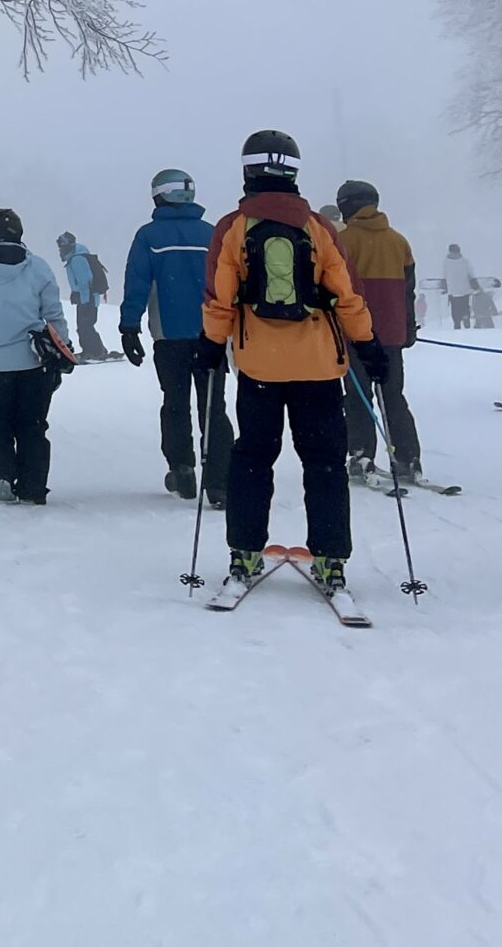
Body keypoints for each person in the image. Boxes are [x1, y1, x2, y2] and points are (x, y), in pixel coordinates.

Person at [198, 129, 388, 601]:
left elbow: (220, 297)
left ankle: (244, 551)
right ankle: (330, 559)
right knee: (324, 463)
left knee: (252, 458)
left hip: (259, 367)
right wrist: (369, 345)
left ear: (248, 171)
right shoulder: (320, 229)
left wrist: (209, 344)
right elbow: (347, 295)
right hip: (321, 368)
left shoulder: (233, 228)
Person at [119, 169, 230, 504]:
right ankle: (220, 481)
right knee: (214, 406)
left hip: (169, 337)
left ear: (158, 196)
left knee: (175, 404)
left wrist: (129, 326)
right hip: (212, 335)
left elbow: (137, 283)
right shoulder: (213, 235)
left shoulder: (149, 236)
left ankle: (182, 468)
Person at [0, 210, 67, 504]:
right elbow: (53, 315)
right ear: (19, 232)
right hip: (34, 361)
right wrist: (62, 349)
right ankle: (33, 486)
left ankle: (2, 472)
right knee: (33, 424)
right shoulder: (38, 267)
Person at [332, 181, 423, 485]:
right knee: (393, 396)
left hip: (355, 333)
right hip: (391, 336)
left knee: (358, 397)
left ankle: (361, 455)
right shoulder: (399, 242)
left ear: (347, 206)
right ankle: (409, 459)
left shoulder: (342, 242)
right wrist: (407, 329)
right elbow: (408, 291)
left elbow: (334, 289)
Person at [55, 231, 112, 361]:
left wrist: (84, 299)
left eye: (62, 245)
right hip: (87, 297)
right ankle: (94, 350)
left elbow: (85, 280)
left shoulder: (77, 259)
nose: (60, 249)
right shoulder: (76, 257)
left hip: (87, 298)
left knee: (85, 325)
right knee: (85, 325)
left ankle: (95, 351)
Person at [443, 244, 476, 328]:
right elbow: (471, 274)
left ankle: (457, 322)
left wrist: (444, 287)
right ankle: (466, 317)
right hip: (465, 289)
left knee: (455, 308)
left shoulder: (446, 263)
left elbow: (443, 276)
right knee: (465, 305)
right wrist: (475, 285)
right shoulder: (465, 261)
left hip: (453, 291)